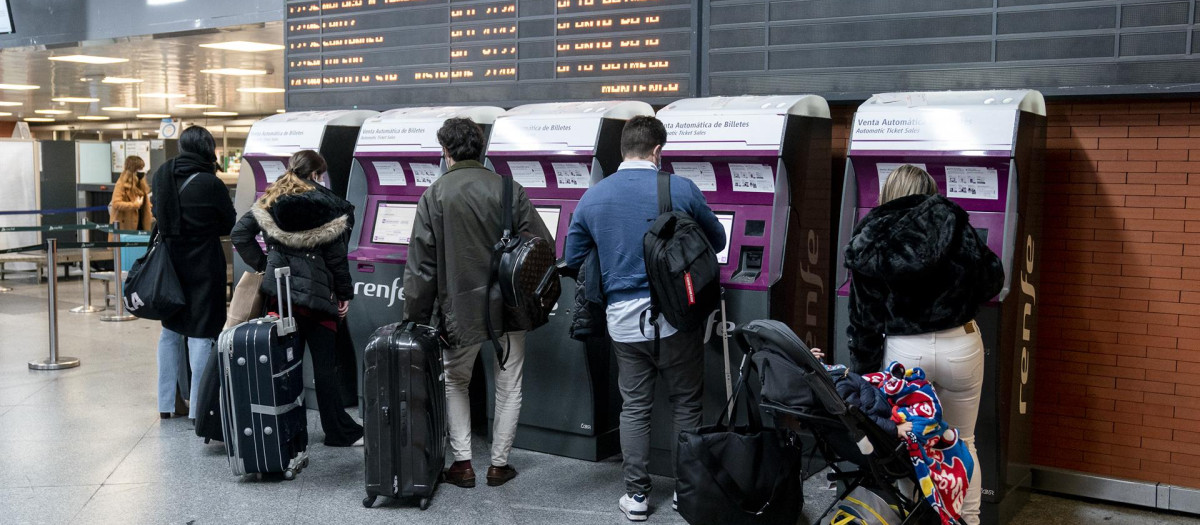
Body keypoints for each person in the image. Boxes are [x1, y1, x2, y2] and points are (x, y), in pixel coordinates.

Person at [562, 115, 726, 522]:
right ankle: (684, 494)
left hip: (622, 319)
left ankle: (636, 497)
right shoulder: (679, 188)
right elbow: (718, 240)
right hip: (675, 317)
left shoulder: (593, 196)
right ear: (657, 150)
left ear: (623, 150)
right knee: (686, 403)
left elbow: (573, 255)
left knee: (634, 406)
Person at [842, 164, 1004, 525]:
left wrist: (867, 377)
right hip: (960, 344)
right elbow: (992, 279)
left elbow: (863, 320)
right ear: (929, 190)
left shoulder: (870, 237)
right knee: (963, 440)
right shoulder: (952, 221)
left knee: (907, 444)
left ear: (888, 193)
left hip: (904, 353)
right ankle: (970, 520)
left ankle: (912, 518)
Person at [403, 117, 551, 488]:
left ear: (445, 151)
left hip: (460, 307)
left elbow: (421, 267)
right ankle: (499, 465)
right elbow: (542, 244)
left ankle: (463, 464)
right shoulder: (508, 189)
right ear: (482, 149)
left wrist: (415, 317)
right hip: (510, 306)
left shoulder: (435, 195)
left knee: (455, 380)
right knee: (509, 382)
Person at [229, 149, 364, 447]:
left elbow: (239, 234)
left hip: (281, 299)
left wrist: (267, 266)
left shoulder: (271, 198)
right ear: (317, 174)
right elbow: (336, 257)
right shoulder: (325, 204)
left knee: (284, 367)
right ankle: (337, 431)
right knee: (325, 367)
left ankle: (286, 430)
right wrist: (344, 294)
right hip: (317, 300)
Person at [150, 126, 236, 420]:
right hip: (203, 265)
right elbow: (229, 223)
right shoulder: (210, 183)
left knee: (170, 331)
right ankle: (198, 407)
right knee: (201, 334)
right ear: (207, 149)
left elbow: (156, 213)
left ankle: (166, 404)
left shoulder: (162, 173)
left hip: (170, 265)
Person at [108, 155, 151, 237]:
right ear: (133, 170)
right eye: (140, 169)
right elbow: (116, 203)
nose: (142, 171)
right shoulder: (121, 184)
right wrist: (134, 205)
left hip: (141, 222)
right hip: (126, 225)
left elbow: (145, 202)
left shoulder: (141, 183)